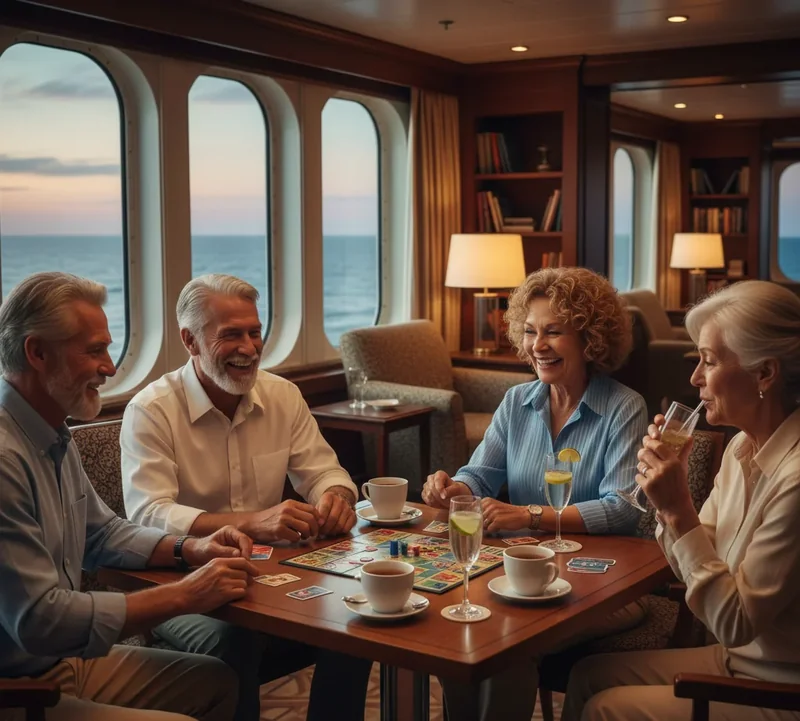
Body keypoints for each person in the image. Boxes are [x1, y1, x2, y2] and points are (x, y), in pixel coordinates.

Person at [0, 271, 263, 721]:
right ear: (37, 353)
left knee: (218, 682)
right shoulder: (6, 459)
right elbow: (42, 620)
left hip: (59, 664)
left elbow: (103, 533)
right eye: (94, 350)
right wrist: (186, 595)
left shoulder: (51, 434)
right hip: (19, 687)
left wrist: (189, 548)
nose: (110, 366)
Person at [121, 274, 372, 721]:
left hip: (271, 577)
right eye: (231, 335)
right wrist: (251, 522)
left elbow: (326, 472)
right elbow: (148, 514)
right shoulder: (151, 410)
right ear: (190, 341)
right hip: (180, 583)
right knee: (236, 641)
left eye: (255, 332)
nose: (251, 348)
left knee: (355, 622)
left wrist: (335, 495)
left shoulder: (283, 396)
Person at [562, 280, 800, 721]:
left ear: (764, 373)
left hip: (780, 684)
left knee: (605, 708)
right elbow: (691, 563)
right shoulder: (741, 448)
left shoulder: (795, 480)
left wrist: (676, 508)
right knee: (587, 675)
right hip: (738, 659)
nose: (694, 378)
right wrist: (665, 501)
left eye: (708, 361)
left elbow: (731, 622)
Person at [422, 266, 649, 721]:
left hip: (607, 582)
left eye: (553, 332)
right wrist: (452, 489)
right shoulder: (515, 401)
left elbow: (623, 510)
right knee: (456, 629)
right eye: (529, 332)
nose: (537, 345)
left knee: (504, 644)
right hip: (518, 572)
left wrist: (528, 515)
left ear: (590, 339)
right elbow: (479, 475)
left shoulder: (625, 407)